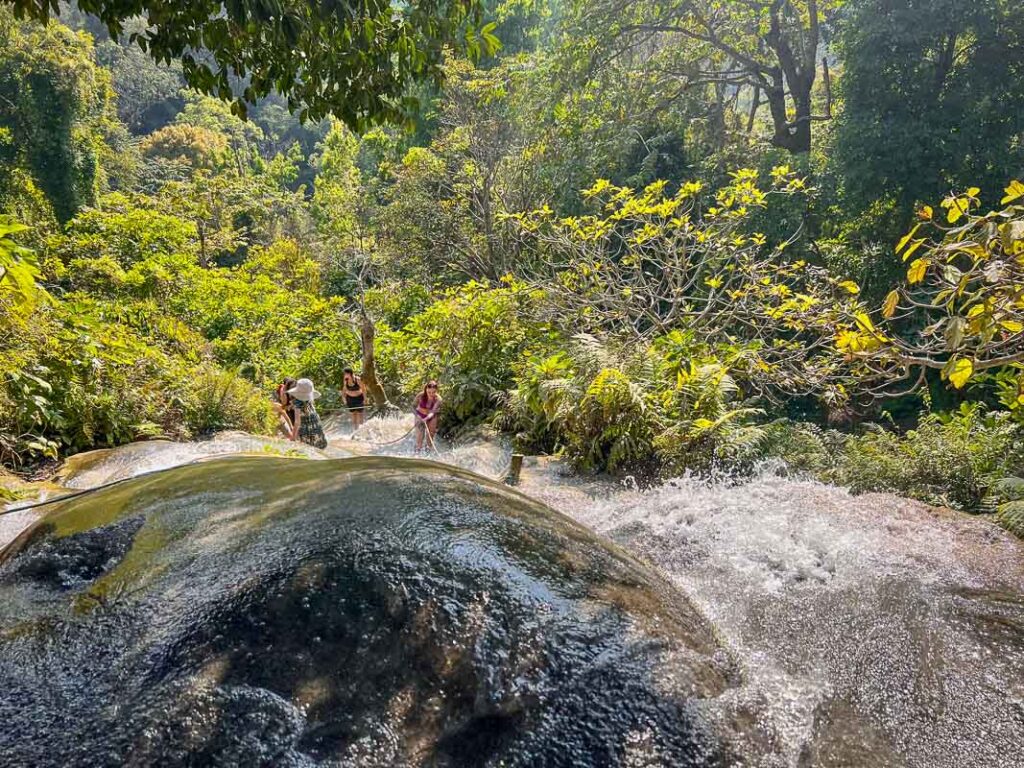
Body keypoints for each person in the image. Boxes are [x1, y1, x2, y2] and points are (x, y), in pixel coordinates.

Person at [288, 378, 328, 449]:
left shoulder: (297, 402)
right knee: (319, 446)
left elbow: (297, 422)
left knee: (307, 448)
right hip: (315, 422)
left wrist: (293, 438)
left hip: (305, 427)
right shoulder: (310, 399)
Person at [413, 380, 442, 453]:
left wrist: (426, 418)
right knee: (419, 439)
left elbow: (432, 412)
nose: (431, 394)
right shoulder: (420, 395)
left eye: (433, 392)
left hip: (432, 417)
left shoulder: (438, 399)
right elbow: (413, 406)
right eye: (429, 392)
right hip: (420, 416)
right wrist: (417, 415)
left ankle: (428, 453)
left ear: (436, 391)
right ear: (426, 389)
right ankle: (417, 453)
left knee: (430, 439)